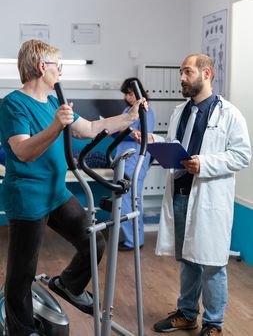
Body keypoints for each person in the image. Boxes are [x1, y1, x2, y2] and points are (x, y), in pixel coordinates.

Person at [0, 39, 147, 336]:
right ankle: (21, 330)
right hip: (28, 198)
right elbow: (23, 151)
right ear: (43, 67)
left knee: (95, 241)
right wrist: (56, 126)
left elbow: (90, 128)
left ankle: (68, 283)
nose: (61, 71)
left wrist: (128, 117)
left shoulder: (55, 102)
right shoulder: (12, 104)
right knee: (22, 272)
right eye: (58, 66)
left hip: (56, 193)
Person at [136, 54, 251, 335]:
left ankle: (214, 323)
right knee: (187, 258)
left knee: (212, 263)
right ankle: (187, 313)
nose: (182, 78)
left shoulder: (229, 114)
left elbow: (242, 155)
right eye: (181, 72)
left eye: (187, 72)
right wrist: (155, 141)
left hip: (209, 198)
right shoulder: (181, 111)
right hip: (181, 194)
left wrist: (205, 164)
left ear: (206, 74)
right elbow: (179, 145)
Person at [114, 78, 154, 251]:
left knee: (130, 200)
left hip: (135, 159)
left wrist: (127, 130)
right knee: (125, 199)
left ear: (139, 93)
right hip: (125, 158)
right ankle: (133, 239)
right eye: (126, 94)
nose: (128, 97)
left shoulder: (145, 110)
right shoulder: (128, 109)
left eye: (131, 93)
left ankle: (134, 241)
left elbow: (145, 135)